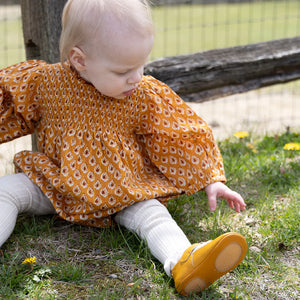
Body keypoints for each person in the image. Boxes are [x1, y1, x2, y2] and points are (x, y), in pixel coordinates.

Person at [0, 0, 247, 296]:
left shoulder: (142, 95)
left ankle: (184, 261)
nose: (136, 77)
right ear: (80, 60)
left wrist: (210, 178)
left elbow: (176, 133)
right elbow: (8, 103)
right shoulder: (45, 83)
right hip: (54, 183)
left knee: (153, 215)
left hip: (121, 191)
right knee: (7, 191)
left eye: (141, 64)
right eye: (123, 70)